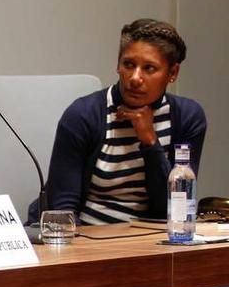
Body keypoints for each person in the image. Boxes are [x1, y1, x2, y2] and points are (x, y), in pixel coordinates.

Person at [44, 18, 207, 224]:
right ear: (118, 64)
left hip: (149, 240)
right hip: (88, 235)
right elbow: (62, 207)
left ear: (172, 73)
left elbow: (176, 208)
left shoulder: (188, 117)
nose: (135, 78)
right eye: (129, 64)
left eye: (149, 68)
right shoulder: (83, 115)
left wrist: (149, 141)